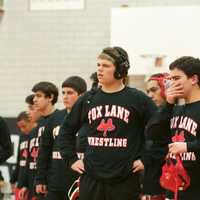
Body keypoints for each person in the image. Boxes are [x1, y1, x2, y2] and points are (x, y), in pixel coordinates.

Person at [58, 46, 156, 200]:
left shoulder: (138, 99)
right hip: (91, 178)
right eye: (98, 65)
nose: (99, 70)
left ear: (120, 70)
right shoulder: (87, 99)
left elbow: (159, 131)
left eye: (105, 66)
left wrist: (147, 159)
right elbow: (66, 131)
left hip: (124, 179)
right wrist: (71, 159)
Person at [146, 56, 200, 200]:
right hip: (175, 187)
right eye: (170, 79)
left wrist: (188, 146)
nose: (172, 84)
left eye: (176, 78)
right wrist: (168, 103)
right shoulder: (175, 109)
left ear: (193, 79)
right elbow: (151, 133)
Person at [35, 76, 87, 200]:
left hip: (81, 181)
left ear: (82, 95)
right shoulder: (55, 118)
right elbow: (44, 151)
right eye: (63, 92)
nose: (65, 96)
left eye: (70, 93)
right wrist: (40, 178)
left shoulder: (89, 118)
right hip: (56, 182)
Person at [19, 82, 58, 200]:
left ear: (50, 98)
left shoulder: (59, 119)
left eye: (38, 96)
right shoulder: (37, 127)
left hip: (53, 182)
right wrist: (27, 184)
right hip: (38, 182)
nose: (35, 100)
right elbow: (34, 158)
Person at [142, 73, 171, 200]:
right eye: (148, 91)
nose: (149, 95)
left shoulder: (176, 113)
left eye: (154, 90)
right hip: (149, 182)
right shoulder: (150, 114)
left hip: (169, 181)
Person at [10, 111, 37, 200]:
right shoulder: (22, 137)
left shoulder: (37, 135)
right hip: (21, 183)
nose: (22, 129)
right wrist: (13, 180)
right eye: (20, 127)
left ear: (31, 121)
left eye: (24, 126)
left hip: (32, 183)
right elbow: (19, 160)